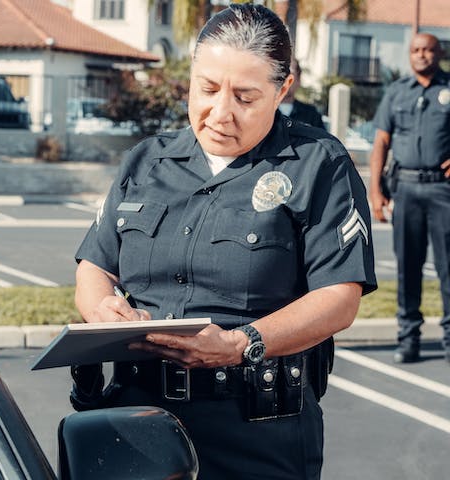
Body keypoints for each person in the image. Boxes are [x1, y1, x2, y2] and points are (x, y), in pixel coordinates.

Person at [73, 4, 376, 479]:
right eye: (207, 89)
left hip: (256, 433)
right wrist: (101, 310)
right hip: (136, 419)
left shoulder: (319, 165)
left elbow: (339, 298)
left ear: (283, 90)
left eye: (246, 97)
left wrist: (241, 343)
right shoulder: (146, 162)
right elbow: (96, 264)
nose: (220, 112)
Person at [369, 33, 450, 364]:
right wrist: (375, 191)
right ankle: (408, 339)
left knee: (448, 269)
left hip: (443, 191)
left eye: (428, 50)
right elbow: (380, 144)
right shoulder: (397, 91)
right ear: (409, 54)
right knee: (408, 269)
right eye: (416, 50)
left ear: (439, 52)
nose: (422, 55)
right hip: (406, 189)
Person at [278, 58, 326, 129]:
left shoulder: (311, 115)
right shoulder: (263, 111)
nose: (285, 79)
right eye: (282, 74)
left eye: (289, 74)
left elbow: (322, 139)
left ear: (299, 80)